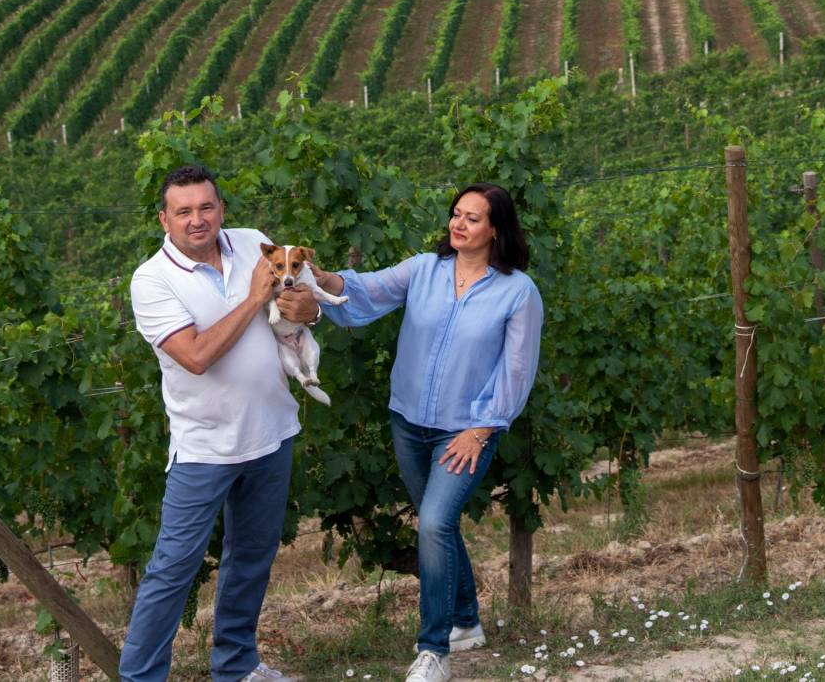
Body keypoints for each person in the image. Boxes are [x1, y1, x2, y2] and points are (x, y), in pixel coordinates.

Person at [310, 183, 543, 682]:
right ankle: (465, 620)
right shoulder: (424, 270)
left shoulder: (517, 292)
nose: (458, 224)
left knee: (435, 523)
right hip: (407, 422)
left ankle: (433, 650)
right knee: (438, 524)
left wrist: (479, 431)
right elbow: (366, 291)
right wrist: (321, 278)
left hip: (465, 433)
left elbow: (516, 373)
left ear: (496, 229)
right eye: (456, 214)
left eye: (472, 218)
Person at [120, 164, 321, 682]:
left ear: (221, 210)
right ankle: (141, 677)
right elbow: (195, 356)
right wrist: (254, 298)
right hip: (205, 446)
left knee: (251, 560)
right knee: (173, 570)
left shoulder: (254, 243)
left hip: (272, 433)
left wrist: (308, 310)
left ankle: (236, 666)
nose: (197, 219)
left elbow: (300, 294)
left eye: (206, 207)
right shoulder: (151, 280)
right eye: (183, 211)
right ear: (164, 219)